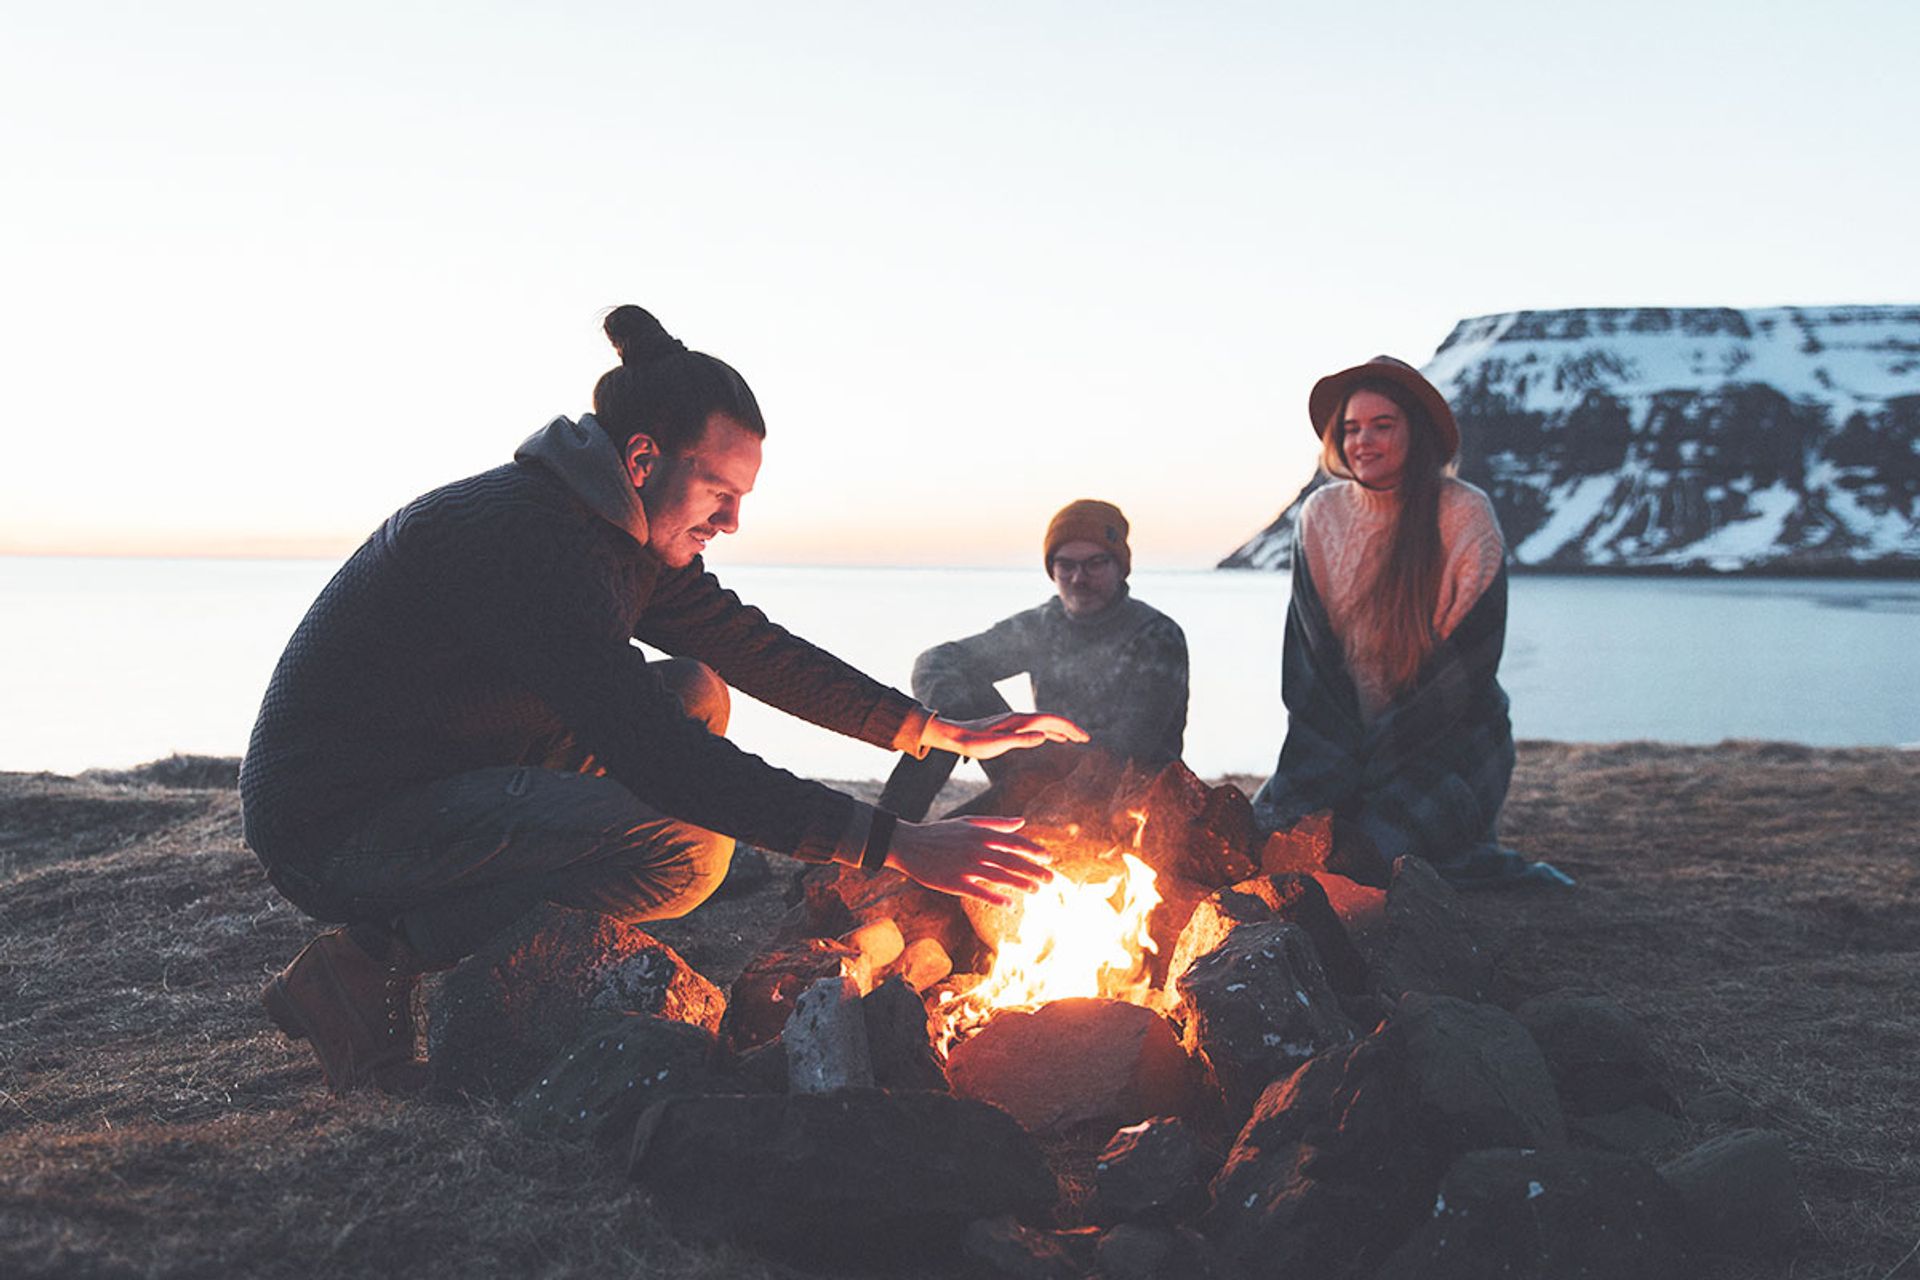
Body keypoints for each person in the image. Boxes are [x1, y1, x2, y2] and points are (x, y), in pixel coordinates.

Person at [241, 304, 1085, 1094]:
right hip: (339, 826)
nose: (732, 522)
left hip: (442, 766)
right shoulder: (530, 545)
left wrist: (929, 729)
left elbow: (746, 644)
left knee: (696, 688)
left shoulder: (616, 529)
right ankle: (367, 960)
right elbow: (659, 755)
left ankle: (403, 944)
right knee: (687, 854)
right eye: (722, 494)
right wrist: (892, 842)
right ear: (643, 459)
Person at [1250, 355, 1570, 888]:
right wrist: (1328, 775)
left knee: (1369, 862)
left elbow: (1464, 673)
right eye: (1351, 429)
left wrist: (1366, 778)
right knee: (1267, 849)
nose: (1362, 442)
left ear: (1415, 433)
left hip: (1448, 745)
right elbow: (1309, 671)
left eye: (1382, 426)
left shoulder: (1464, 514)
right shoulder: (1320, 517)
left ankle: (1474, 855)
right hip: (1338, 744)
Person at [875, 499, 1189, 822]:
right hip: (1038, 774)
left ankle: (914, 841)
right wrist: (955, 727)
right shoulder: (1042, 626)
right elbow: (937, 661)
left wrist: (1032, 752)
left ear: (1120, 567)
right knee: (951, 700)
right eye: (1066, 565)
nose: (1079, 578)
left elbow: (1130, 748)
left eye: (1094, 564)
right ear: (1052, 570)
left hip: (1126, 795)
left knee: (955, 829)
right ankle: (887, 825)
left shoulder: (1156, 636)